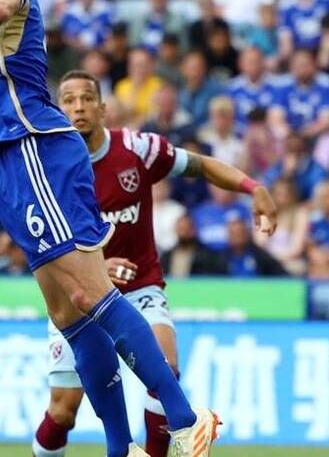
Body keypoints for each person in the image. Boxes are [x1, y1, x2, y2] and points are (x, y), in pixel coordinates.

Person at [42, 67, 276, 457]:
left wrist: (254, 187)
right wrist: (97, 265)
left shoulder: (138, 149)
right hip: (77, 293)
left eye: (87, 99)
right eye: (69, 99)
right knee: (64, 411)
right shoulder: (48, 169)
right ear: (58, 109)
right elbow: (46, 244)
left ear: (103, 108)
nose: (78, 107)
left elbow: (200, 165)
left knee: (164, 369)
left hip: (140, 286)